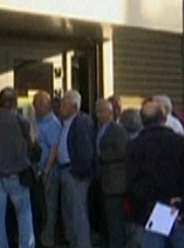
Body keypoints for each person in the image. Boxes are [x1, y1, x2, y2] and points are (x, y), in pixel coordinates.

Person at [126, 97, 184, 248]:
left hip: (152, 212)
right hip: (183, 211)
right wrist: (182, 201)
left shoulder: (135, 146)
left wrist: (157, 202)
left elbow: (133, 183)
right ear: (165, 117)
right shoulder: (182, 143)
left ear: (142, 121)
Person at [0, 87, 36, 248]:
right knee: (24, 215)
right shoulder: (21, 121)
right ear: (15, 103)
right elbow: (32, 143)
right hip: (18, 175)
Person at [57, 90, 94, 248]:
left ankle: (82, 244)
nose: (61, 107)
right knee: (69, 213)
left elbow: (86, 151)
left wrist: (78, 172)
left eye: (65, 104)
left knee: (78, 213)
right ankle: (73, 242)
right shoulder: (65, 122)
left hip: (75, 173)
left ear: (74, 106)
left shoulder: (81, 122)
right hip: (65, 170)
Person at [96, 99, 130, 248]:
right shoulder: (99, 129)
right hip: (103, 181)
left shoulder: (117, 130)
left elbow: (124, 151)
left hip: (115, 183)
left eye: (101, 111)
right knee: (108, 219)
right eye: (97, 111)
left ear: (110, 113)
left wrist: (103, 156)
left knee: (115, 220)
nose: (98, 115)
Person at [32, 90, 62, 248]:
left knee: (49, 208)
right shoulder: (37, 121)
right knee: (40, 208)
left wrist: (46, 171)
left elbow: (53, 149)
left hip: (47, 172)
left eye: (36, 104)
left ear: (45, 105)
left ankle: (47, 241)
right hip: (36, 171)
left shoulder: (52, 124)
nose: (34, 107)